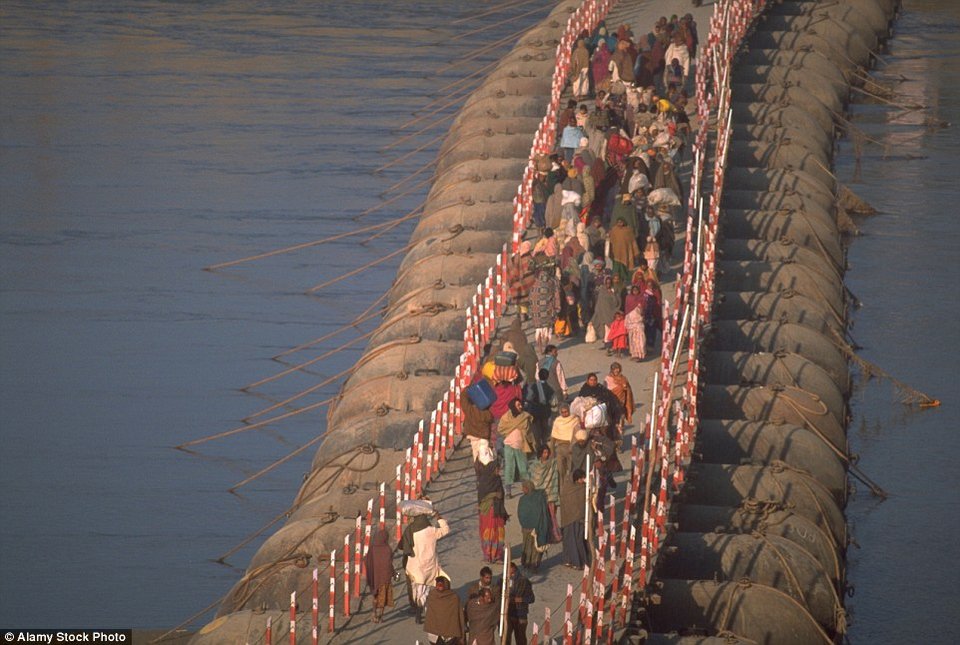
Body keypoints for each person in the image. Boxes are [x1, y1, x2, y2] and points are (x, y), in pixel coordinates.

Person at [403, 511, 451, 622]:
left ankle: (417, 607)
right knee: (425, 590)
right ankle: (422, 609)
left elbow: (404, 545)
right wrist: (439, 517)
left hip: (414, 566)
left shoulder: (411, 530)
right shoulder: (432, 530)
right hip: (429, 566)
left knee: (416, 588)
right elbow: (446, 530)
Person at [474, 449, 508, 563]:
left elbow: (501, 494)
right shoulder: (485, 481)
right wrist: (494, 495)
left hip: (497, 510)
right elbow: (482, 496)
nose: (499, 471)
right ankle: (488, 554)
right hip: (488, 511)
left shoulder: (496, 479)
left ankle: (497, 555)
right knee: (489, 531)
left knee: (498, 532)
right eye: (497, 469)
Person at [497, 398, 535, 495]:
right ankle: (508, 491)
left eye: (520, 404)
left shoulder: (524, 416)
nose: (520, 407)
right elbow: (501, 429)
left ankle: (527, 488)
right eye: (518, 405)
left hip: (521, 445)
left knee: (523, 468)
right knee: (509, 468)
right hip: (509, 445)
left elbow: (528, 430)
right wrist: (512, 429)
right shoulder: (506, 418)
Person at [529, 446, 563, 543]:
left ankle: (553, 535)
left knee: (552, 517)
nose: (546, 455)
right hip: (540, 497)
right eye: (544, 453)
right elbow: (534, 481)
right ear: (540, 453)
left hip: (550, 495)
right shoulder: (535, 466)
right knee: (541, 517)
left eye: (547, 452)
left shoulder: (552, 463)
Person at [560, 469, 591, 568]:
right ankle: (573, 561)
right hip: (569, 519)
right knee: (572, 540)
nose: (583, 480)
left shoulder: (583, 488)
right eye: (581, 478)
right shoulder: (568, 488)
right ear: (577, 479)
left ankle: (578, 561)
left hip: (577, 519)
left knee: (578, 539)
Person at [517, 481, 550, 571]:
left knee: (535, 547)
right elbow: (521, 512)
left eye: (524, 487)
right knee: (527, 546)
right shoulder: (523, 499)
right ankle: (526, 563)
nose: (522, 489)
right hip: (526, 528)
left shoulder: (538, 498)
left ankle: (534, 564)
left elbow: (542, 512)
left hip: (537, 527)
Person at [365, 529, 395, 623]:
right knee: (383, 597)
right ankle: (380, 616)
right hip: (385, 578)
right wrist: (394, 573)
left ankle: (374, 614)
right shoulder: (387, 549)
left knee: (375, 597)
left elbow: (366, 560)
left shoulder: (372, 548)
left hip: (375, 577)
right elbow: (389, 564)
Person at [424, 576, 465, 644]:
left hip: (451, 635)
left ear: (446, 585)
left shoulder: (454, 598)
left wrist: (462, 635)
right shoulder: (432, 596)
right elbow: (429, 613)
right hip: (434, 635)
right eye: (438, 584)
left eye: (441, 584)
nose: (439, 586)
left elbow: (460, 616)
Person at [523, 368, 555, 450]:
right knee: (545, 429)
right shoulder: (550, 388)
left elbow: (529, 397)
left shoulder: (533, 386)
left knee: (536, 430)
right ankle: (544, 446)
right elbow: (554, 402)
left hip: (535, 412)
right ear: (547, 377)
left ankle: (538, 447)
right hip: (545, 412)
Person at [505, 562, 535, 645]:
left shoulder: (524, 581)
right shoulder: (504, 580)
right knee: (506, 637)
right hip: (508, 614)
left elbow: (531, 598)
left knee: (520, 638)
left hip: (520, 614)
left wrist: (521, 599)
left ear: (514, 568)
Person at [550, 403, 580, 481]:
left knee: (571, 470)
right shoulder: (558, 421)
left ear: (569, 411)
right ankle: (562, 491)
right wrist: (552, 452)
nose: (565, 414)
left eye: (566, 412)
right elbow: (553, 437)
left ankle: (571, 489)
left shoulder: (575, 419)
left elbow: (577, 434)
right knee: (560, 471)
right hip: (560, 448)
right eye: (562, 412)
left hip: (571, 447)